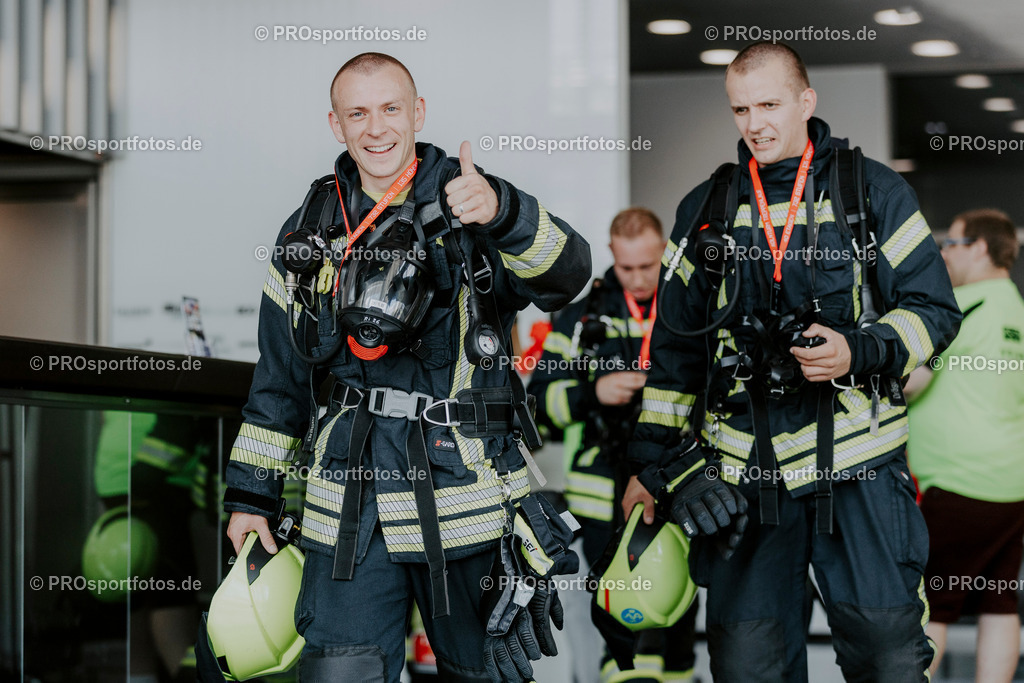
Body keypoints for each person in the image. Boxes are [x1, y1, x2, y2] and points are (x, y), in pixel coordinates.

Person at [221, 52, 591, 682]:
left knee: (483, 674)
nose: (376, 128)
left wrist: (504, 210)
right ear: (335, 125)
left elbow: (570, 276)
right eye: (357, 113)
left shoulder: (471, 203)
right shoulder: (309, 231)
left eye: (391, 108)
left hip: (467, 494)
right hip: (349, 506)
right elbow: (279, 378)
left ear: (418, 113)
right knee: (341, 673)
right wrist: (251, 494)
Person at [622, 41, 961, 682]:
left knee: (889, 659)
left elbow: (935, 312)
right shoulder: (704, 211)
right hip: (744, 481)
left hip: (858, 472)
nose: (755, 124)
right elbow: (673, 352)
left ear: (807, 101)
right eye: (741, 109)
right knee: (750, 667)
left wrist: (857, 350)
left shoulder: (874, 192)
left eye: (770, 104)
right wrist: (652, 462)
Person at [529, 207, 698, 683]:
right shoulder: (581, 318)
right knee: (622, 625)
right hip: (602, 497)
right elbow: (538, 403)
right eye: (628, 268)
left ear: (664, 250)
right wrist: (592, 393)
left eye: (649, 265)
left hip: (681, 485)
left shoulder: (691, 305)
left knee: (677, 619)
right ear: (611, 255)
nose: (640, 278)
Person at [905, 209, 1024, 682]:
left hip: (955, 483)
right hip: (1011, 486)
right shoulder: (1017, 312)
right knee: (999, 599)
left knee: (931, 602)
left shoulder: (961, 308)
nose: (943, 255)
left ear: (979, 248)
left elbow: (914, 379)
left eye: (951, 245)